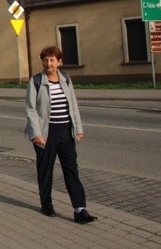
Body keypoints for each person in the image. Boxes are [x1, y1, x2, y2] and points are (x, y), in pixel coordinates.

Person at [24, 45, 97, 224]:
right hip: (45, 136)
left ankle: (80, 209)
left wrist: (78, 129)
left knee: (71, 171)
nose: (48, 63)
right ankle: (46, 204)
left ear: (59, 62)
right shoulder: (36, 81)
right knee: (45, 171)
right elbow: (31, 109)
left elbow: (72, 103)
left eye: (52, 60)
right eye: (45, 60)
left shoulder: (65, 78)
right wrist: (36, 134)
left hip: (66, 134)